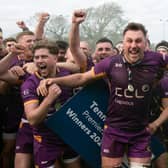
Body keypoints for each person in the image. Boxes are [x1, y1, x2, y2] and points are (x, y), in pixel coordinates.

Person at [37, 22, 168, 168]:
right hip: (114, 132)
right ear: (123, 42)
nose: (133, 45)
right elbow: (82, 78)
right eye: (129, 41)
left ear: (145, 42)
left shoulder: (158, 59)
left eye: (138, 41)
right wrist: (54, 80)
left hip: (140, 133)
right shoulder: (110, 63)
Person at [21, 39, 80, 168]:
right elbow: (32, 120)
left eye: (44, 56)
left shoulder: (66, 74)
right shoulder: (30, 84)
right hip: (46, 140)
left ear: (55, 57)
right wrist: (49, 99)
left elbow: (80, 69)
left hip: (69, 135)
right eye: (36, 57)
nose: (39, 60)